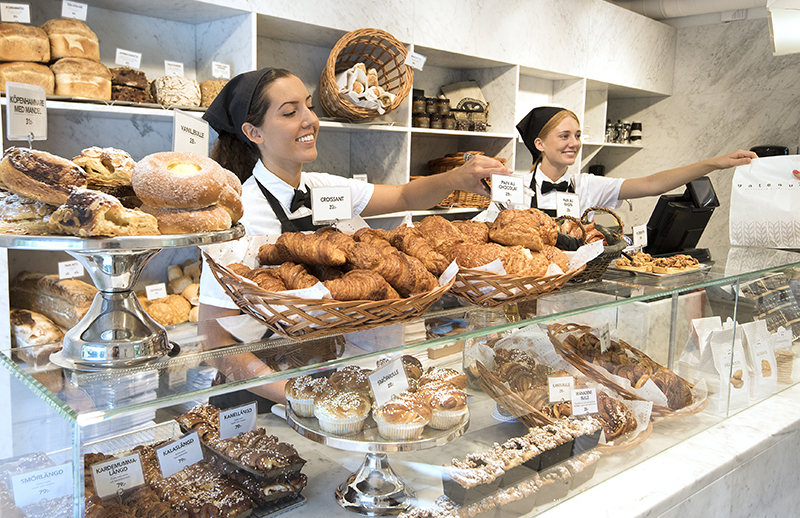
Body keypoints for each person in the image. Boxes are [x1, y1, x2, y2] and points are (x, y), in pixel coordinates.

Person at [198, 67, 509, 405]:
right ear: (252, 131)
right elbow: (215, 341)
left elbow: (404, 196)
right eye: (290, 112)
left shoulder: (326, 188)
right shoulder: (240, 215)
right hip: (267, 396)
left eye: (309, 106)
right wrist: (296, 397)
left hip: (333, 379)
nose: (309, 120)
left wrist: (456, 179)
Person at [515, 106, 757, 217]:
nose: (574, 143)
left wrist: (714, 163)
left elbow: (652, 185)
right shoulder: (517, 187)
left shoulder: (587, 186)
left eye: (577, 135)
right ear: (540, 144)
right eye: (564, 136)